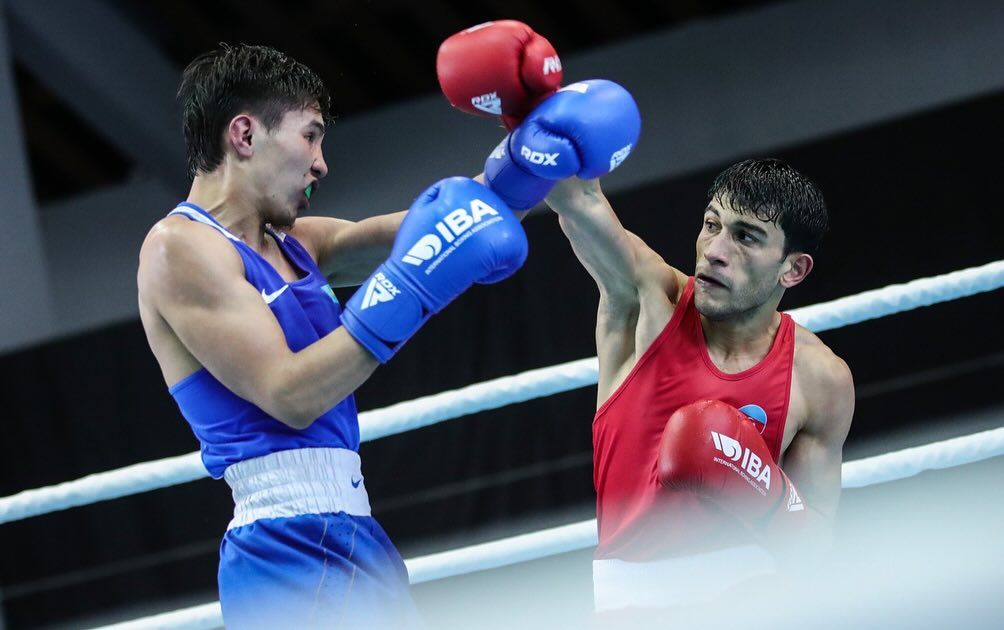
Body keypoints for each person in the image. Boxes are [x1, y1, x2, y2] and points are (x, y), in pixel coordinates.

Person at [437, 21, 855, 615]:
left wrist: (760, 489)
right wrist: (531, 111)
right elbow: (579, 200)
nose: (714, 249)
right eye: (711, 224)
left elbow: (816, 550)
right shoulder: (647, 299)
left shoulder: (821, 379)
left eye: (746, 237)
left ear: (793, 270)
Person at [136, 43, 527, 628]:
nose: (321, 164)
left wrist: (529, 152)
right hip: (283, 550)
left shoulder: (302, 243)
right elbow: (288, 395)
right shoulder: (177, 248)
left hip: (358, 531)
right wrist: (409, 290)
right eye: (310, 136)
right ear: (244, 135)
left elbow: (448, 225)